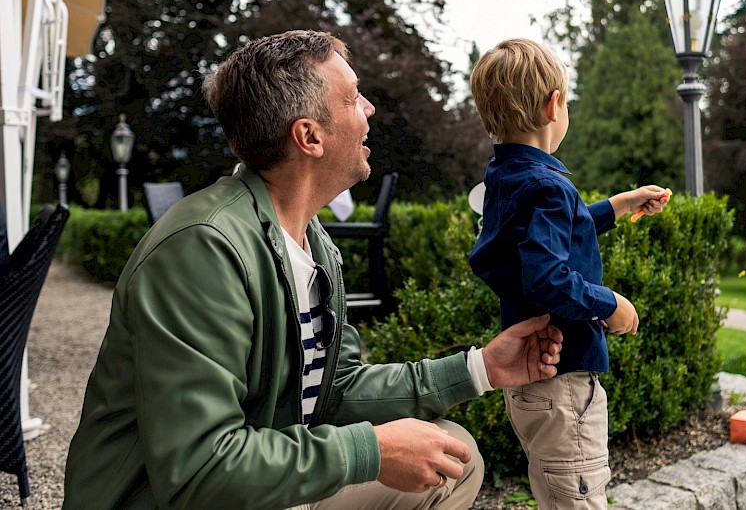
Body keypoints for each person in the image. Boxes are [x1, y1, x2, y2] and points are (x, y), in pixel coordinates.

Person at [63, 30, 564, 510]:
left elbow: (335, 390)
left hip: (262, 485)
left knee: (452, 455)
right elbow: (199, 470)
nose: (370, 110)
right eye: (353, 98)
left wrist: (480, 369)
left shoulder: (312, 241)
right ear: (309, 136)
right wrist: (369, 451)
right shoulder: (203, 250)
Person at [467, 38, 669, 510]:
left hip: (530, 383)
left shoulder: (506, 176)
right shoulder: (548, 187)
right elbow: (547, 276)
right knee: (577, 499)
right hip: (564, 380)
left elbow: (544, 239)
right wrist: (609, 305)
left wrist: (617, 206)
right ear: (553, 105)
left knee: (553, 491)